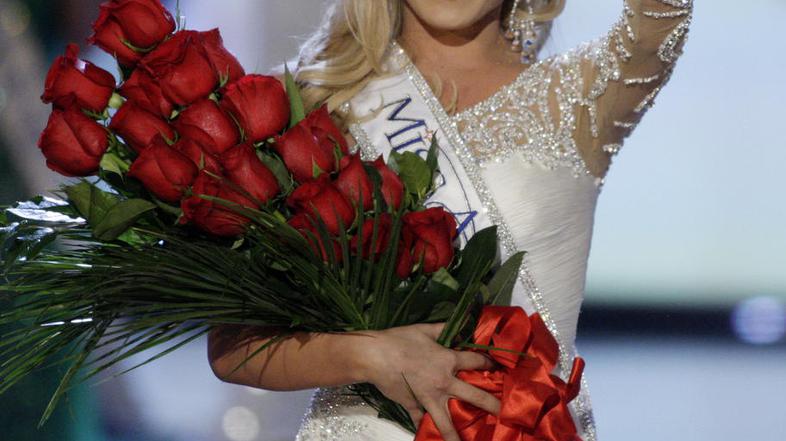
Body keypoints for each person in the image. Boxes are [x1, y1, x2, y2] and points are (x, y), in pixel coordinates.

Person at [207, 1, 693, 440]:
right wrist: (371, 354)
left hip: (526, 428)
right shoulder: (314, 103)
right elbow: (233, 346)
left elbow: (663, 15)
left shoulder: (582, 98)